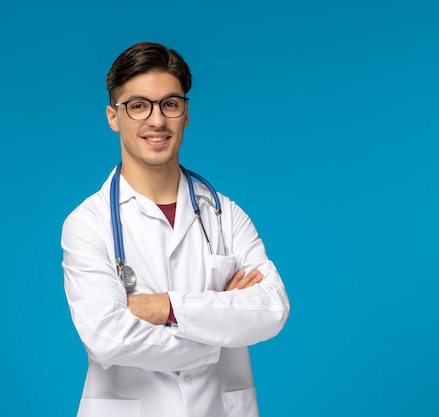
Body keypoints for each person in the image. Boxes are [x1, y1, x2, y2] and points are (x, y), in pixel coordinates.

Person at [61, 41, 290, 417]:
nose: (156, 121)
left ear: (185, 114)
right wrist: (216, 335)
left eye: (170, 103)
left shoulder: (225, 214)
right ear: (113, 117)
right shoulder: (88, 223)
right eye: (137, 106)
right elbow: (106, 336)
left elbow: (271, 308)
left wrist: (164, 306)